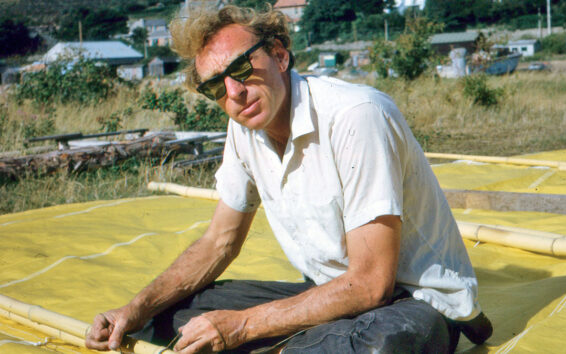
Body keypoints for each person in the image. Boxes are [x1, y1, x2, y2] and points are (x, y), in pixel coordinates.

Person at [86, 5, 490, 353]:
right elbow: (218, 243)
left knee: (381, 346)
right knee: (177, 311)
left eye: (242, 68)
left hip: (410, 302)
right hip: (329, 296)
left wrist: (242, 326)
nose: (234, 93)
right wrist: (134, 308)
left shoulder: (356, 115)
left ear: (279, 56)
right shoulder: (243, 129)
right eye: (215, 87)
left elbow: (371, 284)